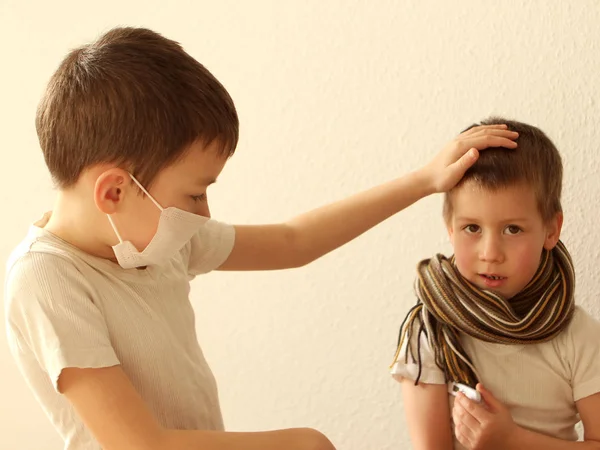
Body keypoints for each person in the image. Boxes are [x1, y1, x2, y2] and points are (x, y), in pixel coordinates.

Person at [4, 27, 518, 450]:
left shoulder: (154, 241)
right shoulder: (46, 280)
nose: (204, 212)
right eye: (195, 193)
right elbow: (139, 445)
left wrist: (424, 181)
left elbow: (294, 242)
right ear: (115, 190)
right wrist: (302, 443)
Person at [391, 117, 600, 450]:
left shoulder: (578, 335)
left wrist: (513, 440)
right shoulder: (429, 331)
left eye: (512, 229)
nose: (490, 254)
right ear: (450, 227)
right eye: (472, 228)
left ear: (551, 230)